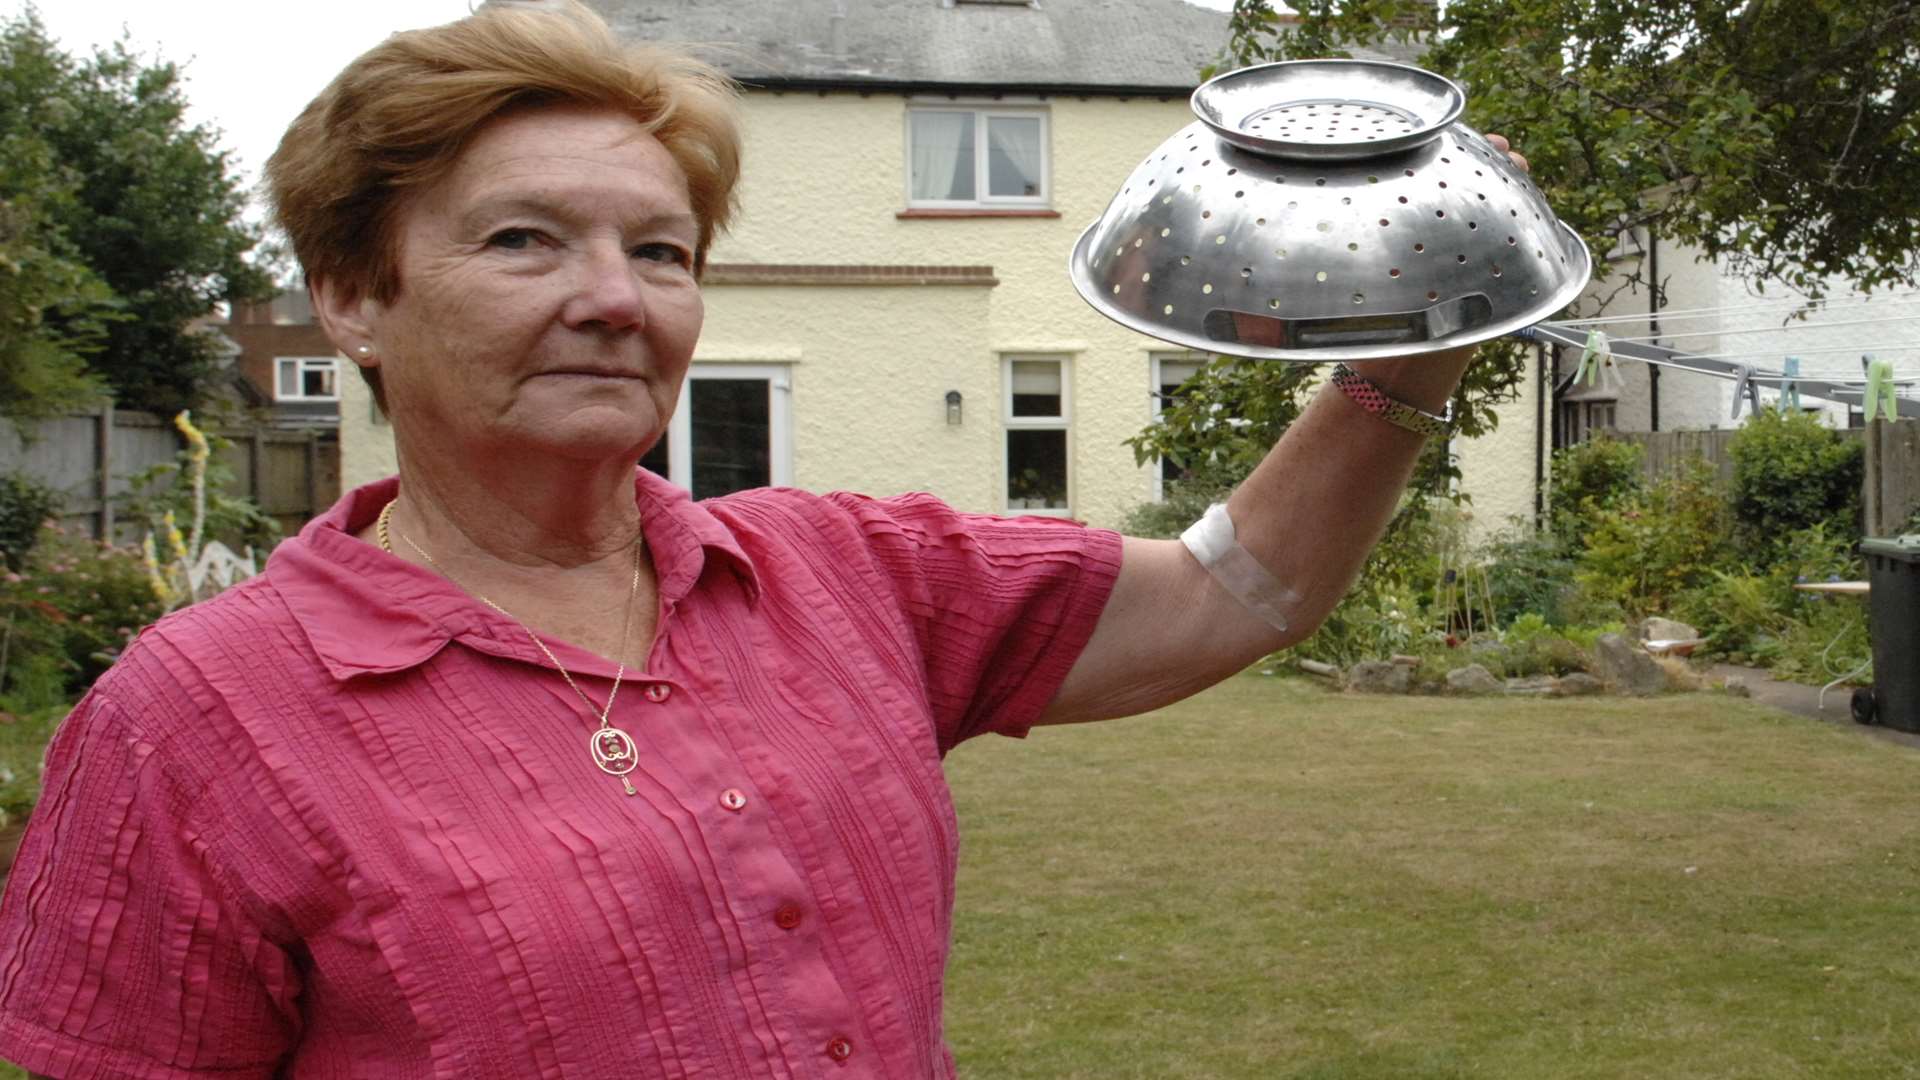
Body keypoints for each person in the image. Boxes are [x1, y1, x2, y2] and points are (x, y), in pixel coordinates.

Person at [0, 3, 1528, 1077]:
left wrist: (1421, 343)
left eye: (658, 251)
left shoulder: (836, 574)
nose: (616, 297)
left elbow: (1225, 591)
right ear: (353, 295)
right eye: (523, 238)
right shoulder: (195, 726)